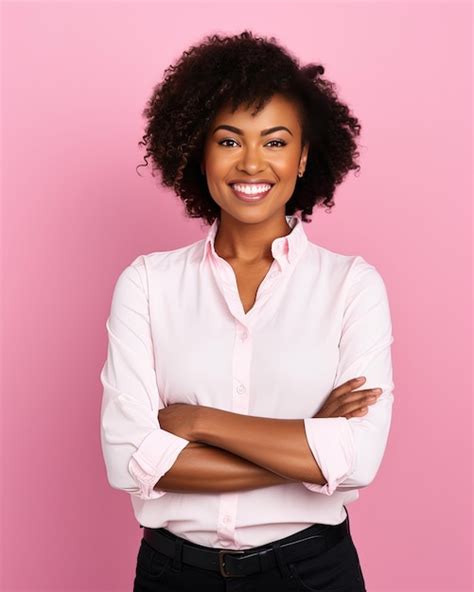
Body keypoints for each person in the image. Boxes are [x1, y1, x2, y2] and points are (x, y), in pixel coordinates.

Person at [100, 30, 394, 592]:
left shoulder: (352, 286)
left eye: (276, 142)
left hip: (311, 572)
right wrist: (308, 449)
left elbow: (357, 460)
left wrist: (201, 424)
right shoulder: (146, 285)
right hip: (173, 574)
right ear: (199, 151)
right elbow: (128, 460)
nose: (253, 163)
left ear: (305, 155)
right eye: (230, 141)